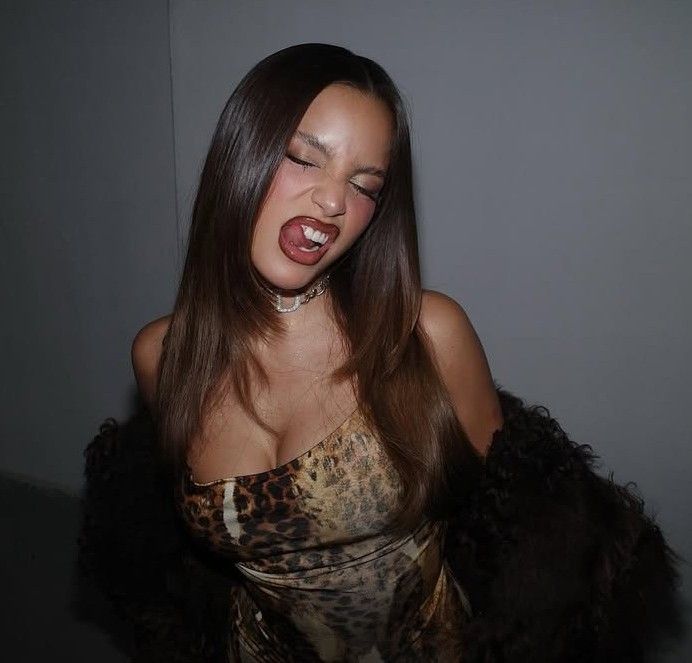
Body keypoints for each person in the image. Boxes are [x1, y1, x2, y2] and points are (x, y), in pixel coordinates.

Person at [130, 42, 503, 661]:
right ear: (240, 156)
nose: (334, 202)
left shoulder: (427, 334)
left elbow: (509, 520)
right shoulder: (162, 355)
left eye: (364, 185)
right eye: (304, 159)